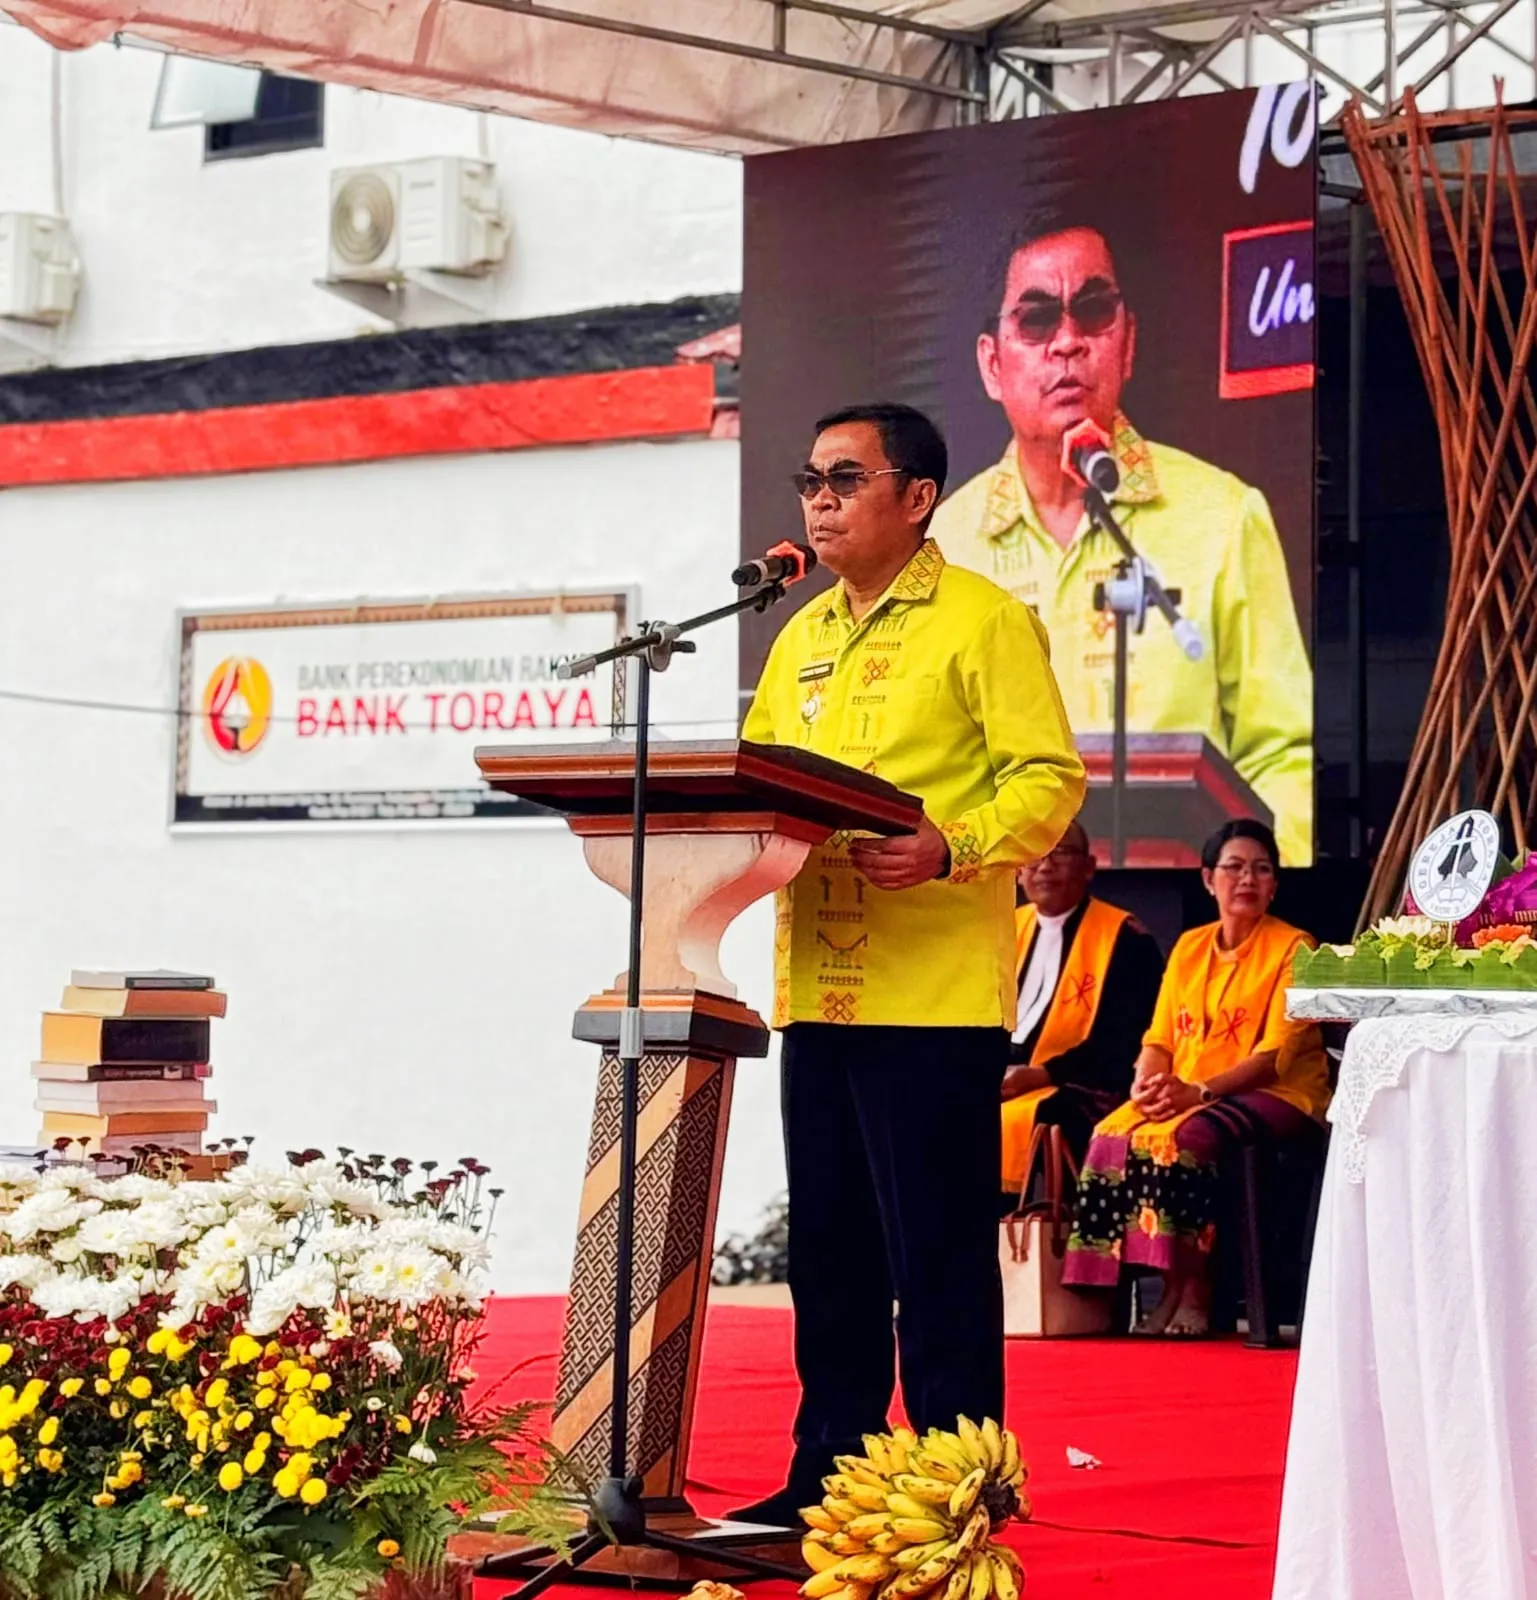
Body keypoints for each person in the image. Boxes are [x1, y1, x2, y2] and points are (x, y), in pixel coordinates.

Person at [735, 401, 1084, 1525]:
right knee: (829, 1252)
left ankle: (955, 1486)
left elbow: (1049, 779)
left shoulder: (982, 621)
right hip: (819, 987)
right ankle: (827, 1477)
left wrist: (953, 843)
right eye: (810, 480)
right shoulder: (800, 635)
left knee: (932, 1257)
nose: (819, 501)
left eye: (844, 478)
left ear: (917, 496)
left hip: (931, 998)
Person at [930, 221, 1314, 867]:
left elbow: (1282, 752)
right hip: (993, 910)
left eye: (1092, 311)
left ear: (1127, 343)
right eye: (1036, 320)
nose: (1068, 343)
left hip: (1183, 910)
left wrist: (1247, 879)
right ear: (991, 364)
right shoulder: (945, 542)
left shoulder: (1220, 515)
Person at [1060, 818, 1328, 1337]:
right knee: (1112, 1134)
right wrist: (1145, 1085)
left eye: (1261, 870)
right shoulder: (1189, 947)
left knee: (1186, 1138)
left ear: (1274, 884)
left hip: (1279, 1094)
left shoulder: (1295, 948)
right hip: (1190, 1090)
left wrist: (1198, 1092)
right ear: (1208, 879)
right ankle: (1141, 1295)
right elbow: (1159, 1038)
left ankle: (1199, 1290)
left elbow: (1275, 1056)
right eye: (1234, 868)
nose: (1247, 880)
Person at [1002, 818, 1164, 1194]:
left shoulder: (1125, 938)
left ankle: (1044, 1241)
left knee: (1047, 1116)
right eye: (1035, 854)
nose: (1045, 865)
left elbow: (1123, 1041)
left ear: (1088, 868)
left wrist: (1041, 1075)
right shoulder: (1005, 929)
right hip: (1009, 1079)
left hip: (1085, 1083)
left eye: (1060, 852)